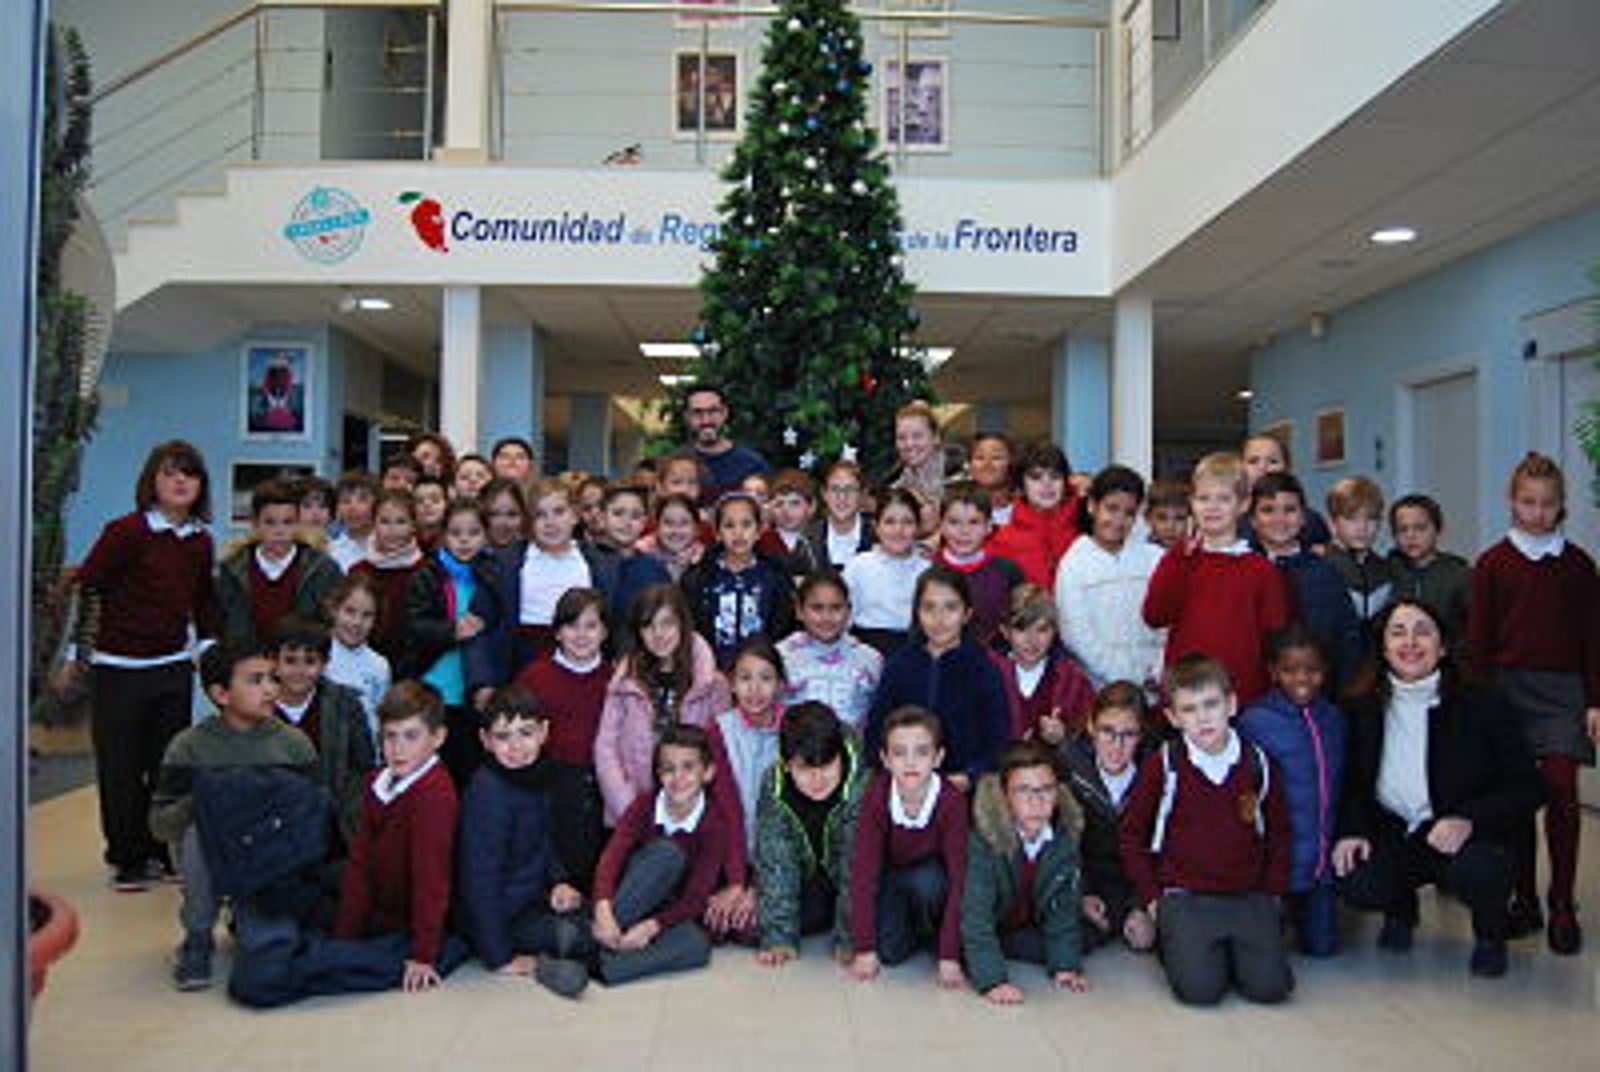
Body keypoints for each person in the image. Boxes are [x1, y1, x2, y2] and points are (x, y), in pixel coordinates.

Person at [1336, 599, 1544, 977]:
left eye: (1423, 632)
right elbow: (1351, 782)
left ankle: (1489, 934)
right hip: (1397, 831)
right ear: (1383, 647)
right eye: (1397, 633)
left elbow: (1528, 787)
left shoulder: (1483, 702)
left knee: (1482, 870)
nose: (1410, 643)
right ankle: (1401, 909)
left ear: (1443, 645)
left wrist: (1469, 819)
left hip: (1464, 837)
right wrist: (1351, 831)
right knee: (1355, 878)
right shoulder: (1361, 705)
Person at [64, 440, 222, 891]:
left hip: (171, 666)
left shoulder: (200, 540)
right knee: (121, 766)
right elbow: (89, 586)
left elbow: (203, 602)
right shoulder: (126, 532)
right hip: (117, 667)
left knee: (167, 765)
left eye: (189, 474)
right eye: (170, 472)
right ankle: (127, 856)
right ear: (152, 480)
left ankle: (161, 850)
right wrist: (79, 655)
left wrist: (208, 652)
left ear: (200, 486)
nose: (179, 481)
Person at [1469, 452, 1598, 954]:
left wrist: (1595, 699)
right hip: (1506, 688)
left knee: (1561, 789)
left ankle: (1562, 902)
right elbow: (1479, 638)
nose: (1538, 512)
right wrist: (1479, 699)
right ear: (1512, 502)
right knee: (1517, 797)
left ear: (1561, 505)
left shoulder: (1579, 565)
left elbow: (1593, 636)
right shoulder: (1493, 564)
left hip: (1563, 690)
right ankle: (1523, 898)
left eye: (1548, 504)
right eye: (1528, 502)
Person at [1118, 654, 1294, 1006]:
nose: (1203, 718)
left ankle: (1230, 946)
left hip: (1247, 895)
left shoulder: (1258, 763)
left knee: (1271, 988)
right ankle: (1185, 945)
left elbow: (1279, 834)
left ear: (1231, 703)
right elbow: (1131, 836)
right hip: (1185, 897)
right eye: (1189, 709)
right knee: (1200, 991)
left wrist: (1272, 893)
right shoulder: (1164, 766)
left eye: (1211, 704)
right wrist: (1154, 899)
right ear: (1172, 717)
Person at [149, 640, 319, 989]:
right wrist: (212, 798)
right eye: (255, 681)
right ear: (222, 694)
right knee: (197, 833)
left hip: (268, 860)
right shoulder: (189, 746)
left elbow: (312, 813)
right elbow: (161, 824)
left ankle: (250, 920)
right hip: (210, 851)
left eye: (272, 678)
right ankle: (198, 936)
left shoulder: (293, 744)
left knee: (270, 950)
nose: (271, 689)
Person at [456, 686, 593, 998]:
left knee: (599, 913)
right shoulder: (487, 792)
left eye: (526, 733)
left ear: (544, 732)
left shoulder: (535, 777)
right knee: (584, 936)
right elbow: (479, 880)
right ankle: (553, 965)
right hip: (501, 916)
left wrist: (558, 882)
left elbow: (542, 841)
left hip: (533, 899)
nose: (516, 747)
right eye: (503, 737)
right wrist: (499, 956)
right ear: (485, 741)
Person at [332, 681, 462, 992]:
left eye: (411, 736)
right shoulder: (378, 780)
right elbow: (360, 862)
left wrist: (422, 955)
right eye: (390, 736)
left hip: (412, 922)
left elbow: (431, 878)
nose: (398, 748)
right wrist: (345, 936)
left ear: (438, 738)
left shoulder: (434, 794)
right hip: (379, 907)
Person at [1142, 452, 1290, 705]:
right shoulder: (1179, 559)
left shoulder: (1261, 570)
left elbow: (1275, 641)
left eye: (1223, 499)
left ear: (1243, 505)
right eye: (1203, 498)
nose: (1212, 507)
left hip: (1243, 698)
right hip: (1185, 697)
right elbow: (1155, 615)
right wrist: (1180, 558)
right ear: (1192, 504)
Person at [1237, 625, 1347, 957]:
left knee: (1322, 949)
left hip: (1320, 867)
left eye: (1311, 670)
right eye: (1290, 670)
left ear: (1324, 671)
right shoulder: (1255, 720)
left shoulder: (1335, 718)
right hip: (1274, 866)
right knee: (1266, 951)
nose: (1302, 679)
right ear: (1273, 672)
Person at [590, 725, 726, 985]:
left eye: (689, 767)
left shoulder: (714, 824)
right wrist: (603, 908)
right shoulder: (644, 804)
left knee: (697, 946)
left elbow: (696, 898)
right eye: (668, 768)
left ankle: (601, 964)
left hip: (667, 911)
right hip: (634, 897)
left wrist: (653, 926)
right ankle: (603, 934)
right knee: (668, 853)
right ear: (658, 773)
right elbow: (611, 859)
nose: (678, 778)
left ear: (707, 772)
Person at [962, 740, 1090, 1004]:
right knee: (969, 935)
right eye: (1023, 791)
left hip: (1025, 922)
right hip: (991, 920)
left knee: (1082, 932)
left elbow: (1062, 907)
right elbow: (976, 916)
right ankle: (985, 954)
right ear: (1005, 796)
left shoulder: (1064, 836)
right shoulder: (985, 838)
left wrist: (1065, 967)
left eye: (1046, 790)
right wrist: (994, 981)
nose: (1036, 801)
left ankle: (1036, 950)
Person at [848, 706, 968, 989]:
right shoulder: (877, 796)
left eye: (922, 752)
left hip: (936, 881)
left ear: (938, 758)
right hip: (895, 881)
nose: (910, 762)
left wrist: (949, 955)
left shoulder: (951, 802)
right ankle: (918, 930)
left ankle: (941, 934)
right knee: (889, 953)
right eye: (900, 753)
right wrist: (864, 948)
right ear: (885, 760)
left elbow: (961, 877)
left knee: (927, 880)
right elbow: (864, 873)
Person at [594, 584, 731, 824]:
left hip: (693, 815)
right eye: (648, 625)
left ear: (683, 624)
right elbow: (605, 748)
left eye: (667, 623)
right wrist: (630, 809)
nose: (659, 634)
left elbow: (720, 754)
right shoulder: (624, 681)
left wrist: (695, 809)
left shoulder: (713, 684)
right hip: (631, 813)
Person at [865, 568, 1009, 792]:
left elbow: (997, 740)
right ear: (917, 612)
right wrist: (892, 771)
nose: (939, 619)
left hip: (962, 787)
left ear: (967, 614)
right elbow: (876, 731)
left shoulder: (984, 670)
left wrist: (969, 777)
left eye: (950, 608)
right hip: (903, 784)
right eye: (929, 607)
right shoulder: (898, 665)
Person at [754, 701, 868, 965]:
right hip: (813, 878)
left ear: (840, 755)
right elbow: (776, 862)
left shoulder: (862, 784)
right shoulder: (774, 787)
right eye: (805, 770)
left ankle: (845, 925)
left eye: (827, 767)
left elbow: (857, 866)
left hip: (862, 882)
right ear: (785, 765)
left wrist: (849, 940)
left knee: (884, 940)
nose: (818, 780)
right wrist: (779, 939)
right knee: (749, 927)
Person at [407, 499, 511, 787]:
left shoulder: (494, 575)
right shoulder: (427, 575)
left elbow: (503, 628)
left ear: (486, 535)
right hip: (435, 688)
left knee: (470, 774)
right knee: (434, 775)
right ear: (443, 535)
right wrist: (450, 631)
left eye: (473, 533)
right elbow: (414, 628)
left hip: (475, 692)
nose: (464, 540)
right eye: (456, 533)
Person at [513, 587, 611, 890]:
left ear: (605, 632)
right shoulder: (534, 678)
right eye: (571, 626)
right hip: (549, 789)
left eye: (591, 626)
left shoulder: (617, 679)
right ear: (556, 632)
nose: (581, 635)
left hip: (601, 788)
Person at [1249, 472, 1365, 696]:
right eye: (1268, 510)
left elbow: (1346, 636)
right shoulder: (1242, 570)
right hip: (1255, 694)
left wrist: (1339, 691)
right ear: (1252, 519)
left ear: (1304, 517)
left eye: (1290, 510)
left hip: (1318, 692)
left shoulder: (1325, 572)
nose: (1280, 519)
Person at [1061, 682, 1156, 953]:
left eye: (1129, 735)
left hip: (1140, 881)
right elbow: (1063, 843)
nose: (1117, 746)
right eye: (1107, 732)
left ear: (1142, 735)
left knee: (1164, 940)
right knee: (1070, 941)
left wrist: (1143, 905)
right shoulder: (1069, 766)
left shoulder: (1158, 771)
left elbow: (1163, 846)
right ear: (1091, 726)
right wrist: (1083, 893)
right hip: (1090, 876)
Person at [1054, 464, 1166, 695]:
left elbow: (1170, 622)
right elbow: (1077, 636)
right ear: (1092, 506)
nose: (1118, 520)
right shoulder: (1073, 564)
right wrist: (1126, 677)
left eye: (1128, 513)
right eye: (1111, 508)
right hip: (1101, 692)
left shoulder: (1155, 558)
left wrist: (1158, 670)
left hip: (1155, 686)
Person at [704, 638, 789, 941]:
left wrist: (758, 887)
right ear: (731, 684)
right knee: (716, 920)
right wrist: (737, 882)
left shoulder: (792, 730)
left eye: (765, 678)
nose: (755, 689)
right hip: (730, 849)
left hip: (779, 857)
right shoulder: (718, 730)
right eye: (745, 678)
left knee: (750, 927)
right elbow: (729, 812)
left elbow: (782, 818)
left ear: (780, 685)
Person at [268, 616, 378, 849]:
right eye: (290, 660)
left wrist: (345, 810)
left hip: (333, 826)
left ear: (325, 664)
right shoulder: (258, 708)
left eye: (310, 661)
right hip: (272, 825)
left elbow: (363, 766)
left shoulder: (346, 704)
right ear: (273, 663)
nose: (299, 670)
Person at [217, 478, 340, 649]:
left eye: (288, 522)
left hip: (302, 667)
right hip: (246, 666)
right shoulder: (231, 569)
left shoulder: (325, 569)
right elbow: (222, 626)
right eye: (269, 522)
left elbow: (332, 626)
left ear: (298, 523)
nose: (279, 531)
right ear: (254, 523)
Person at [681, 492, 797, 670]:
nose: (738, 533)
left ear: (759, 531)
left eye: (746, 524)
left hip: (762, 672)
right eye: (729, 525)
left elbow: (784, 627)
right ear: (718, 533)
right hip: (712, 672)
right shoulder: (699, 577)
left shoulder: (775, 575)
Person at [777, 571, 883, 732]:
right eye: (817, 608)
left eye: (836, 608)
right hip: (794, 753)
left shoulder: (871, 659)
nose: (826, 617)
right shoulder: (781, 656)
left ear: (848, 611)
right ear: (799, 611)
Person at [993, 584, 1095, 745]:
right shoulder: (988, 674)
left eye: (1042, 629)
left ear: (1054, 631)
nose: (1031, 640)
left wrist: (1064, 736)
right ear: (1005, 632)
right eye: (1021, 629)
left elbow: (1090, 740)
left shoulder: (1071, 679)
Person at [512, 479, 593, 666]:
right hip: (526, 656)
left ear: (575, 515)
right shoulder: (510, 563)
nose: (550, 522)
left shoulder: (597, 563)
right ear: (529, 522)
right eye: (540, 515)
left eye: (559, 512)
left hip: (583, 652)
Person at [933, 483, 1024, 648]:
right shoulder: (927, 571)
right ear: (941, 525)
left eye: (974, 522)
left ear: (989, 526)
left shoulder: (1008, 571)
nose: (964, 531)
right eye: (954, 522)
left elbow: (1021, 624)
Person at [842, 487, 930, 657]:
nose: (898, 530)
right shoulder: (859, 566)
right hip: (864, 649)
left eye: (907, 522)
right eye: (889, 522)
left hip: (915, 650)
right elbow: (843, 617)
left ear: (918, 527)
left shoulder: (927, 570)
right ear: (876, 526)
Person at [349, 489, 425, 677]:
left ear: (414, 525)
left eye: (401, 522)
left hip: (414, 667)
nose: (392, 530)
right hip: (364, 665)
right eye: (384, 521)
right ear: (373, 523)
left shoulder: (426, 570)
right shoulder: (358, 570)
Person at [987, 441, 1082, 590]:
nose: (1047, 483)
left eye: (1055, 476)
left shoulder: (1084, 530)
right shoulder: (1002, 541)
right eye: (1036, 477)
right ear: (1021, 485)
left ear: (1065, 483)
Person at [583, 484, 673, 636]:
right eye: (618, 513)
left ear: (645, 522)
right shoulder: (587, 561)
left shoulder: (654, 568)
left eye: (635, 516)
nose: (627, 522)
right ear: (602, 517)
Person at [1387, 493, 1471, 653]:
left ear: (1438, 530)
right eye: (1402, 530)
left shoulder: (1460, 575)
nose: (1410, 536)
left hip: (1447, 664)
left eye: (1420, 528)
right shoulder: (1388, 570)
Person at [322, 573, 391, 745]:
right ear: (334, 609)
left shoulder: (379, 665)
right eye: (349, 611)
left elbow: (380, 719)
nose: (356, 622)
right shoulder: (317, 654)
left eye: (367, 615)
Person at [1325, 476, 1395, 631]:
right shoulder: (1322, 567)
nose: (1362, 527)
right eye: (1351, 519)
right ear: (1332, 523)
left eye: (1371, 519)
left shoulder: (1385, 570)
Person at [1240, 433, 1332, 548]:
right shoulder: (1228, 518)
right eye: (1253, 461)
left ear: (1287, 467)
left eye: (1273, 461)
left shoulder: (1311, 521)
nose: (1262, 467)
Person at [684, 384, 770, 504]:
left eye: (713, 411)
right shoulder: (675, 465)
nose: (706, 420)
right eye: (697, 412)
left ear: (724, 413)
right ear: (687, 417)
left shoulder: (753, 464)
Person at [889, 400, 953, 528]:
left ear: (936, 438)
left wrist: (919, 500)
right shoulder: (901, 478)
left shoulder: (956, 476)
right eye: (902, 438)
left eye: (917, 436)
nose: (909, 444)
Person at [758, 468, 824, 581]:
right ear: (769, 508)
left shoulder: (821, 540)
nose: (786, 511)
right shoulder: (762, 542)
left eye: (795, 503)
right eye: (779, 504)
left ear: (812, 507)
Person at [807, 458, 874, 567]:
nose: (842, 497)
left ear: (862, 495)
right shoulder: (807, 539)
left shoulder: (878, 535)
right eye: (835, 489)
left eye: (850, 489)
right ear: (824, 494)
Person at [643, 491, 705, 582]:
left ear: (696, 529)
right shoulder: (642, 553)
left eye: (684, 523)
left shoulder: (704, 559)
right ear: (656, 526)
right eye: (668, 523)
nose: (676, 531)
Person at [328, 470, 379, 571]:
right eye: (345, 501)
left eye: (362, 500)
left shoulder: (388, 544)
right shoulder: (330, 549)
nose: (352, 508)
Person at [967, 432, 1016, 526]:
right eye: (980, 457)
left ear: (1011, 462)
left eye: (996, 457)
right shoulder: (955, 507)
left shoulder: (1024, 508)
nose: (987, 464)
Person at [1143, 478, 1190, 551]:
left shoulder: (1195, 553)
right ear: (1148, 518)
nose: (1170, 527)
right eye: (1162, 518)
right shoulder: (1139, 554)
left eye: (1179, 518)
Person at [411, 475, 449, 554]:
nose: (427, 505)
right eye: (420, 501)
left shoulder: (454, 538)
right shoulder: (406, 538)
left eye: (435, 500)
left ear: (447, 504)